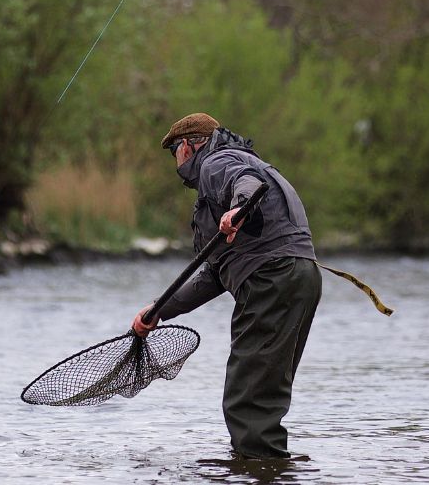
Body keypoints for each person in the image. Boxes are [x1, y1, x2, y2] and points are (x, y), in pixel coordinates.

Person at [131, 112, 322, 460]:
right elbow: (214, 274)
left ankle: (259, 469)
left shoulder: (217, 163)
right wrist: (159, 309)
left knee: (248, 398)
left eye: (174, 150)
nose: (175, 160)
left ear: (188, 146)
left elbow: (247, 183)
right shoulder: (230, 169)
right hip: (298, 278)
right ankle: (267, 471)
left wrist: (237, 210)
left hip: (270, 279)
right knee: (263, 391)